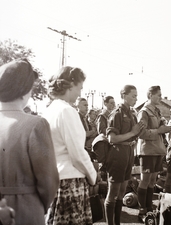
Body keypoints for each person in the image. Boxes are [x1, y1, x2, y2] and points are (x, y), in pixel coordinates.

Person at [0, 59, 59, 225]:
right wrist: (40, 206)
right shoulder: (35, 124)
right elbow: (48, 180)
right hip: (26, 209)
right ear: (23, 90)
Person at [42, 66, 98, 224]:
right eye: (79, 88)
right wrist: (92, 175)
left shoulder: (49, 110)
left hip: (54, 179)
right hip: (70, 180)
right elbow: (77, 154)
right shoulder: (67, 111)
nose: (80, 93)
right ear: (70, 85)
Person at [104, 85, 144, 225]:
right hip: (118, 154)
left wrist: (137, 133)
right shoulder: (117, 113)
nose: (136, 98)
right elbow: (112, 139)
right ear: (124, 95)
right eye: (133, 96)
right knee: (113, 193)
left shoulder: (132, 114)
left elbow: (133, 134)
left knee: (122, 192)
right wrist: (132, 133)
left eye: (136, 96)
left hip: (128, 152)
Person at [136, 85, 171, 221]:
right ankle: (142, 210)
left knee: (152, 180)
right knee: (145, 180)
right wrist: (160, 130)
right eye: (158, 95)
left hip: (157, 150)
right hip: (147, 151)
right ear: (150, 95)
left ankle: (149, 207)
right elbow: (141, 133)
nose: (160, 98)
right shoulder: (144, 112)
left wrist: (165, 128)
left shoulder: (156, 111)